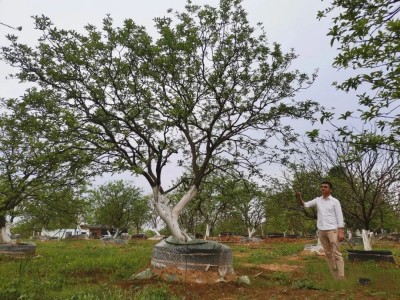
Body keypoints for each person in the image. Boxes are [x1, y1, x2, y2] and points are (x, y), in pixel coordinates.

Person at [296, 181, 345, 280]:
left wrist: (341, 231)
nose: (323, 188)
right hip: (322, 230)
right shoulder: (318, 200)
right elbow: (305, 205)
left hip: (333, 230)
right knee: (328, 254)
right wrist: (299, 197)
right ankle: (335, 277)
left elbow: (340, 216)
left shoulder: (335, 201)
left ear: (330, 189)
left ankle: (342, 276)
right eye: (321, 187)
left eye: (325, 187)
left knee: (336, 253)